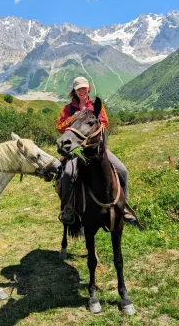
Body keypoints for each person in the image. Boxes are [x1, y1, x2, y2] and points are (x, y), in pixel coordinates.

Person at [56, 76, 136, 225]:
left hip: (97, 150)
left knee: (123, 171)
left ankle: (123, 208)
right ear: (75, 90)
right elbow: (60, 126)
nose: (82, 91)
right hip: (77, 151)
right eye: (78, 88)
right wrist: (74, 117)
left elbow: (105, 123)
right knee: (67, 173)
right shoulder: (68, 109)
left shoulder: (95, 106)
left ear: (88, 88)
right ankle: (68, 208)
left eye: (84, 88)